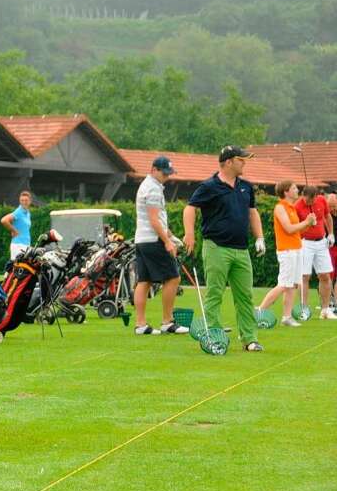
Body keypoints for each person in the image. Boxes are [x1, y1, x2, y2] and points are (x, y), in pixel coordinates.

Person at [182, 145, 266, 352]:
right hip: (216, 247)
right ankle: (215, 336)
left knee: (245, 296)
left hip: (241, 249)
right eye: (241, 159)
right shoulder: (209, 186)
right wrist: (190, 234)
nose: (244, 162)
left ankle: (249, 339)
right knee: (215, 294)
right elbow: (190, 208)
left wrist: (260, 237)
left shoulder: (246, 186)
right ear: (228, 162)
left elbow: (252, 213)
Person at [133, 156, 188, 335]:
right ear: (154, 169)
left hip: (142, 240)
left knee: (144, 281)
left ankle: (141, 325)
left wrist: (172, 237)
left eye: (169, 173)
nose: (167, 177)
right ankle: (167, 322)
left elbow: (157, 221)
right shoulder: (154, 189)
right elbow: (154, 220)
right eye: (164, 173)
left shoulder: (146, 186)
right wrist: (166, 242)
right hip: (154, 240)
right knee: (173, 278)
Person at [257, 181, 315, 326]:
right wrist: (306, 221)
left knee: (293, 285)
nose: (297, 190)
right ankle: (259, 311)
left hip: (296, 249)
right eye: (294, 188)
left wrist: (308, 224)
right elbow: (288, 228)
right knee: (283, 284)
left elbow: (298, 231)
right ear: (286, 192)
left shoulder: (292, 208)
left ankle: (287, 317)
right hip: (287, 251)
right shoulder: (280, 207)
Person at [294, 185, 336, 319]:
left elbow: (327, 216)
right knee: (305, 276)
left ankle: (325, 310)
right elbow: (293, 228)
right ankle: (304, 309)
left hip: (321, 242)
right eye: (307, 201)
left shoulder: (322, 201)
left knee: (325, 276)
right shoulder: (297, 206)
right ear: (303, 196)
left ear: (316, 197)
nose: (309, 203)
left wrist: (331, 234)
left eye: (312, 201)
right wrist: (307, 223)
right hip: (305, 242)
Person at [1, 190, 32, 260]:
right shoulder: (18, 212)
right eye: (22, 200)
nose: (24, 202)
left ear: (30, 201)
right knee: (16, 269)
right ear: (20, 201)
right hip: (18, 245)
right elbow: (4, 220)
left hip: (26, 245)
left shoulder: (28, 213)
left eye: (26, 200)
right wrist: (14, 231)